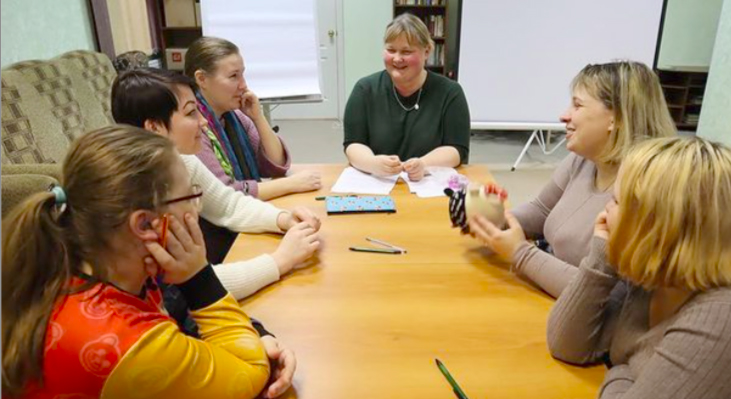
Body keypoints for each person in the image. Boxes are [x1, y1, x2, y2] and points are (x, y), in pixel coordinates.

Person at [1, 126, 270, 397]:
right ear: (144, 223)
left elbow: (184, 318)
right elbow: (249, 371)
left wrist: (260, 336)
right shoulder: (126, 341)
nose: (196, 209)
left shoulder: (87, 264)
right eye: (191, 197)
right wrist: (198, 277)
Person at [468, 61, 676, 298]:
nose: (564, 116)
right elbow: (542, 209)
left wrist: (521, 252)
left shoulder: (647, 190)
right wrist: (492, 218)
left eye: (577, 105)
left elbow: (609, 296)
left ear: (616, 118)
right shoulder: (585, 159)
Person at [112, 68, 321, 300]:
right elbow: (188, 288)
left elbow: (228, 205)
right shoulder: (137, 199)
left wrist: (283, 219)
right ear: (154, 128)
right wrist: (280, 260)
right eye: (191, 113)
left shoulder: (180, 160)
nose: (203, 123)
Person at [547, 136, 731, 398]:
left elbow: (621, 364)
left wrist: (620, 368)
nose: (604, 211)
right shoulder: (651, 279)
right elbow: (567, 344)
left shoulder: (719, 318)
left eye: (617, 202)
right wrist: (602, 257)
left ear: (659, 226)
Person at [183, 36, 321, 200]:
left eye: (242, 75)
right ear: (202, 79)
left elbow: (276, 165)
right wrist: (291, 184)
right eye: (234, 76)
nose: (243, 85)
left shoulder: (236, 116)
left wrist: (258, 118)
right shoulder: (194, 128)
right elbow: (223, 193)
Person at [343, 13, 471, 181]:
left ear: (427, 51)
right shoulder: (364, 90)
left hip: (430, 185)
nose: (397, 58)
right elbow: (353, 143)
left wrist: (424, 165)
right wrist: (373, 163)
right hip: (377, 184)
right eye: (390, 50)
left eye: (406, 51)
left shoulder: (450, 93)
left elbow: (457, 149)